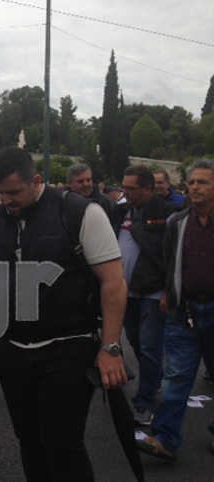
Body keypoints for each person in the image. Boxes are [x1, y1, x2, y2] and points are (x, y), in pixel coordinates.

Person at [0, 148, 128, 482]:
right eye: (0, 193)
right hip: (12, 349)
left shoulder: (80, 212)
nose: (6, 201)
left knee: (62, 444)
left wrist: (110, 347)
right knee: (29, 441)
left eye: (13, 192)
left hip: (68, 345)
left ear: (36, 181)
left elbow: (113, 282)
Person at [137, 160, 214, 462]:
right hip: (185, 311)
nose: (195, 187)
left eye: (203, 182)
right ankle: (166, 440)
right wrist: (170, 293)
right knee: (175, 377)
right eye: (192, 182)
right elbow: (171, 263)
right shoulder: (177, 222)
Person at [116, 165, 174, 426]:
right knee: (136, 342)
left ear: (149, 189)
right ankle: (155, 380)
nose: (125, 192)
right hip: (125, 291)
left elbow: (172, 257)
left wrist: (169, 292)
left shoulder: (166, 215)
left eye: (131, 188)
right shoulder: (121, 211)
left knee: (150, 347)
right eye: (124, 187)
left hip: (152, 292)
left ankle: (145, 402)